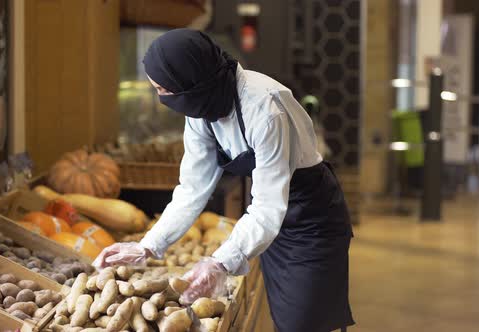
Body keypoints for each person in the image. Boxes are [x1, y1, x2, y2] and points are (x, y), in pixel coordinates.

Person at [93, 29, 355, 332]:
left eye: (163, 89)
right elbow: (192, 188)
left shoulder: (265, 109)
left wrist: (219, 262)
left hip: (311, 216)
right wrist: (148, 246)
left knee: (306, 321)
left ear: (189, 81)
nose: (160, 98)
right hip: (272, 221)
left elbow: (269, 204)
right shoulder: (201, 106)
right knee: (287, 317)